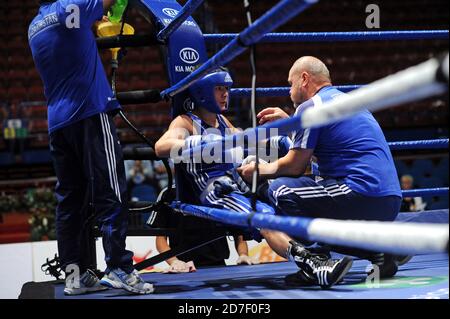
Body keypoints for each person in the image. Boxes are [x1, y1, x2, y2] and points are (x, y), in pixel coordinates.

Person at [155, 69, 353, 288]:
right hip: (216, 190)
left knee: (287, 200)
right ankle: (314, 265)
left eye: (226, 89)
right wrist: (199, 143)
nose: (225, 94)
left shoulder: (222, 121)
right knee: (264, 218)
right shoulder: (185, 122)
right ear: (202, 93)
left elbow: (244, 143)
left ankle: (334, 253)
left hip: (238, 182)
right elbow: (161, 147)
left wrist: (282, 139)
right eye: (219, 89)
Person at [238, 56, 407, 278]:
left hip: (360, 193)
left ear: (304, 79)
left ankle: (317, 262)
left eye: (291, 83)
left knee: (281, 190)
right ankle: (379, 252)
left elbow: (296, 166)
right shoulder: (347, 101)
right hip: (389, 200)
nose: (289, 90)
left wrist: (260, 169)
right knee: (312, 189)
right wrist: (291, 122)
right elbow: (320, 148)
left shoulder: (310, 107)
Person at [28, 0, 153, 295]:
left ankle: (75, 274)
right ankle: (120, 267)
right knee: (111, 189)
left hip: (58, 122)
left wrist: (95, 27)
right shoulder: (74, 5)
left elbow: (73, 37)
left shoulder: (35, 25)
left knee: (70, 200)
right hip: (89, 111)